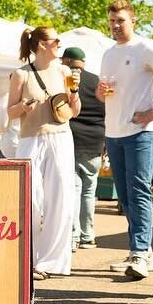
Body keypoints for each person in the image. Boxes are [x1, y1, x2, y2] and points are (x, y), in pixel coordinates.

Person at [98, 0, 153, 280]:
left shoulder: (145, 47)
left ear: (133, 21)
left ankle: (140, 251)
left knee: (138, 191)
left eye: (121, 20)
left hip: (141, 132)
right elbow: (103, 95)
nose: (115, 25)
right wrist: (101, 91)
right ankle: (143, 250)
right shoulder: (108, 53)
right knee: (124, 197)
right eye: (112, 21)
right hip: (114, 131)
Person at [8, 26, 81, 279]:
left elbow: (75, 110)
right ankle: (30, 256)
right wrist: (23, 106)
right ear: (41, 44)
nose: (59, 45)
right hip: (31, 140)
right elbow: (9, 112)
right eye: (55, 40)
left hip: (60, 137)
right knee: (33, 200)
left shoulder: (63, 71)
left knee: (60, 198)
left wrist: (74, 93)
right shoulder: (21, 74)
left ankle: (50, 262)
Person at [61, 46, 104, 249]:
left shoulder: (65, 79)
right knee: (89, 190)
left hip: (72, 139)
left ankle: (74, 235)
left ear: (67, 61)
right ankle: (88, 234)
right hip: (96, 140)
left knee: (74, 189)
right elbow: (108, 108)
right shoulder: (98, 81)